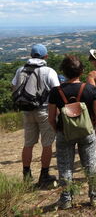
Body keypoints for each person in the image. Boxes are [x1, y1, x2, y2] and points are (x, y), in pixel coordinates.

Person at [47, 55, 96, 209]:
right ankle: (95, 197)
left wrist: (57, 129)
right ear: (82, 71)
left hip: (64, 132)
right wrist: (93, 127)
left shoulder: (56, 92)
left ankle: (66, 199)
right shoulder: (90, 89)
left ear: (63, 71)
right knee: (91, 164)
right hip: (86, 131)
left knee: (64, 167)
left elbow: (51, 117)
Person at [12, 44, 59, 185]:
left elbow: (13, 85)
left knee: (28, 144)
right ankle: (44, 176)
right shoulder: (48, 71)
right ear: (46, 56)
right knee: (47, 144)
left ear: (31, 55)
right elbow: (57, 91)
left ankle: (27, 174)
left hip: (27, 111)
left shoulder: (20, 70)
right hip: (44, 111)